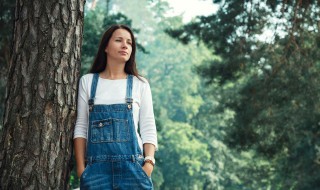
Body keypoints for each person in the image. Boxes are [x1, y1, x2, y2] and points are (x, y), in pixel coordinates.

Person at [73, 24, 158, 189]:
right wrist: (81, 170)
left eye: (129, 43)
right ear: (106, 47)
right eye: (119, 40)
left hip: (134, 171)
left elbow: (148, 127)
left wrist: (148, 164)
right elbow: (81, 126)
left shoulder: (140, 84)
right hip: (96, 173)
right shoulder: (88, 82)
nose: (125, 45)